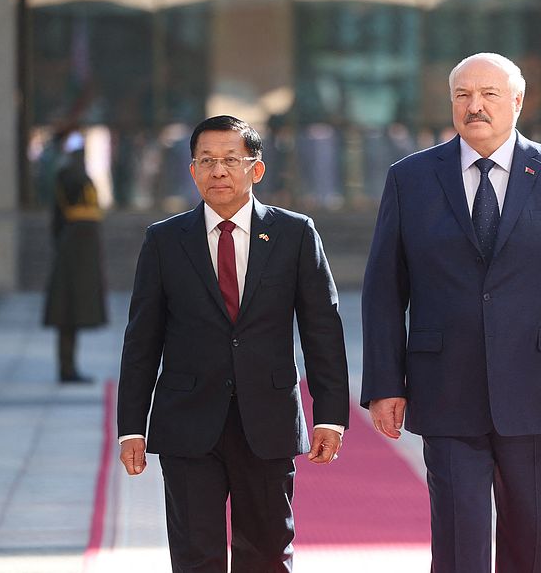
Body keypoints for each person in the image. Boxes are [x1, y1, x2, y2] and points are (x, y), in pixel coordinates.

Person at [361, 53, 541, 573]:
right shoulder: (410, 179)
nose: (474, 106)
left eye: (488, 95)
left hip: (538, 383)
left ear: (518, 102)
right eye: (463, 95)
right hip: (445, 385)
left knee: (532, 538)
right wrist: (385, 383)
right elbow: (384, 289)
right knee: (459, 539)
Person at [118, 115, 349, 573]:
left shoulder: (294, 234)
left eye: (229, 160)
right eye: (206, 161)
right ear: (192, 171)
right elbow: (141, 340)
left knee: (266, 554)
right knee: (195, 557)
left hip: (268, 421)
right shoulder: (165, 241)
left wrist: (331, 416)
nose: (218, 171)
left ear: (256, 170)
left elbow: (322, 329)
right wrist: (132, 427)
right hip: (187, 424)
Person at [42, 129, 106, 383]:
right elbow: (60, 214)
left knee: (75, 310)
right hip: (72, 249)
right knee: (68, 309)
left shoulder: (76, 173)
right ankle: (66, 367)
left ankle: (69, 366)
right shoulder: (68, 174)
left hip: (82, 249)